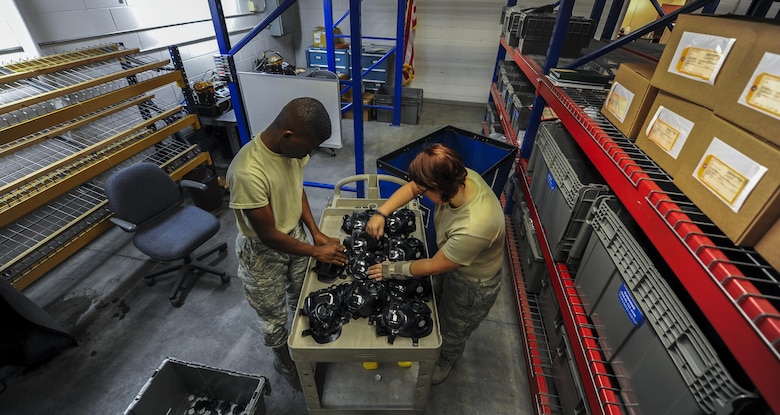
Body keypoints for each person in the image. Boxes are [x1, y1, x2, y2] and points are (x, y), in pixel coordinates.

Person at [226, 97, 349, 391]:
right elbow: (269, 235)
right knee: (273, 319)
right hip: (262, 251)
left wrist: (315, 232)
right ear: (288, 136)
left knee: (303, 296)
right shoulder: (247, 172)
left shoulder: (291, 150)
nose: (309, 154)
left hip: (295, 235)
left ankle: (306, 346)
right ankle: (284, 361)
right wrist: (317, 250)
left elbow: (297, 189)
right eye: (308, 148)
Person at [365, 143, 505, 385]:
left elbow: (434, 266)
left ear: (441, 189)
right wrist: (381, 213)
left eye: (425, 190)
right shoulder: (459, 176)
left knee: (453, 327)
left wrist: (390, 270)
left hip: (473, 284)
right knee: (436, 303)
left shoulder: (475, 225)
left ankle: (445, 360)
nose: (420, 193)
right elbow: (414, 187)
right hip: (452, 257)